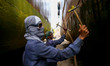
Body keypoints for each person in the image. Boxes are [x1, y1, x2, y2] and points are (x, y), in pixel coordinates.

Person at [22, 15, 89, 66]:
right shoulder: (36, 45)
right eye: (40, 25)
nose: (42, 28)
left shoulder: (29, 44)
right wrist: (81, 37)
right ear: (32, 28)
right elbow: (62, 54)